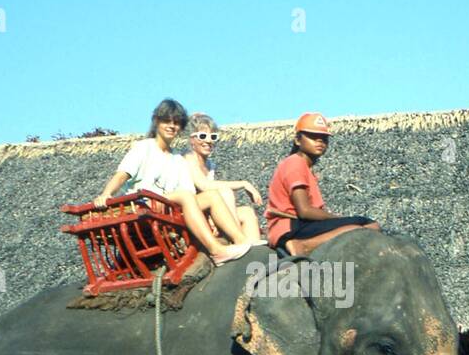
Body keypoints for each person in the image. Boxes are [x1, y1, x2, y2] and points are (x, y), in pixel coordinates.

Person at [93, 99, 251, 265]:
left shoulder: (178, 159)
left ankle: (241, 240)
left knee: (211, 195)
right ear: (156, 121)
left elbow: (190, 192)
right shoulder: (144, 148)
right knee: (184, 196)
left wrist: (210, 217)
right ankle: (216, 250)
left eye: (176, 123)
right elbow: (122, 174)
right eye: (167, 121)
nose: (171, 126)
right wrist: (106, 193)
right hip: (144, 204)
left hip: (170, 207)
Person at [265, 112, 380, 257]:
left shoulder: (303, 167)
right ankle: (304, 245)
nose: (319, 141)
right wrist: (338, 219)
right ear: (298, 140)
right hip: (290, 226)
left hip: (297, 225)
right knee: (368, 224)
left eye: (324, 138)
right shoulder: (295, 163)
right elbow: (304, 211)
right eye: (312, 136)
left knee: (363, 225)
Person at [182, 112, 264, 246]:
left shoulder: (209, 165)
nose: (208, 141)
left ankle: (253, 252)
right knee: (225, 192)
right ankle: (238, 240)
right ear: (191, 140)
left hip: (208, 208)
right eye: (202, 136)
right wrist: (243, 183)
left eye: (213, 137)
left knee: (247, 212)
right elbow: (204, 185)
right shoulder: (188, 158)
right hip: (191, 211)